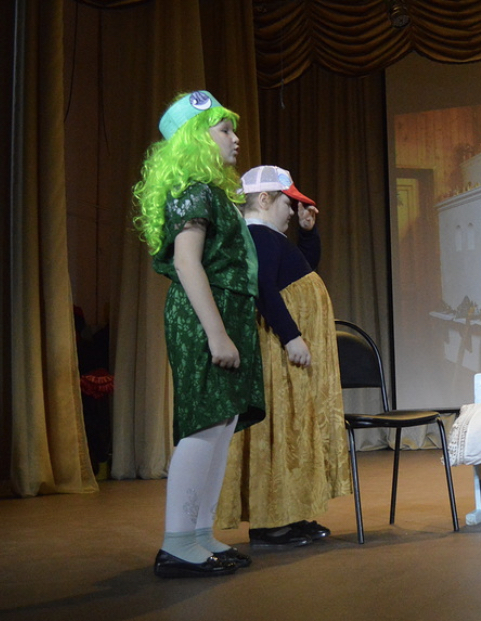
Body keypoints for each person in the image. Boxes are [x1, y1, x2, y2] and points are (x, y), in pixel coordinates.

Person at [133, 91, 265, 577]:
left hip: (224, 310)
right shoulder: (191, 188)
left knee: (221, 426)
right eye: (224, 130)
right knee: (204, 424)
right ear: (195, 139)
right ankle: (176, 543)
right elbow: (188, 263)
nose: (235, 138)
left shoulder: (211, 191)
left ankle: (198, 533)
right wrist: (216, 334)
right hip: (204, 314)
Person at [216, 166, 351, 547]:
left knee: (294, 430)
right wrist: (291, 336)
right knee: (280, 431)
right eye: (288, 203)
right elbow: (263, 288)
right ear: (264, 199)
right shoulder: (258, 236)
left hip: (289, 358)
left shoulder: (271, 238)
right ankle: (271, 522)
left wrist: (308, 233)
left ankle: (292, 512)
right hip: (279, 355)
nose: (293, 210)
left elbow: (304, 270)